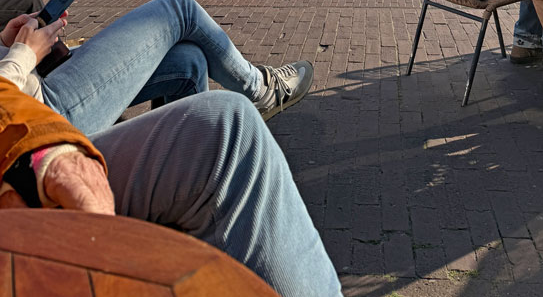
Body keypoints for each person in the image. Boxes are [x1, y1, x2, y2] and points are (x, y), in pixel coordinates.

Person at [0, 77, 343, 297]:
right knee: (228, 125)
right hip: (33, 86)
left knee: (188, 62)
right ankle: (261, 87)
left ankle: (191, 247)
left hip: (23, 87)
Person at [0, 0, 313, 137]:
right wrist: (23, 54)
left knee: (189, 62)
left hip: (27, 82)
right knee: (180, 7)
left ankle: (184, 189)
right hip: (35, 116)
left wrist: (6, 43)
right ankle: (259, 90)